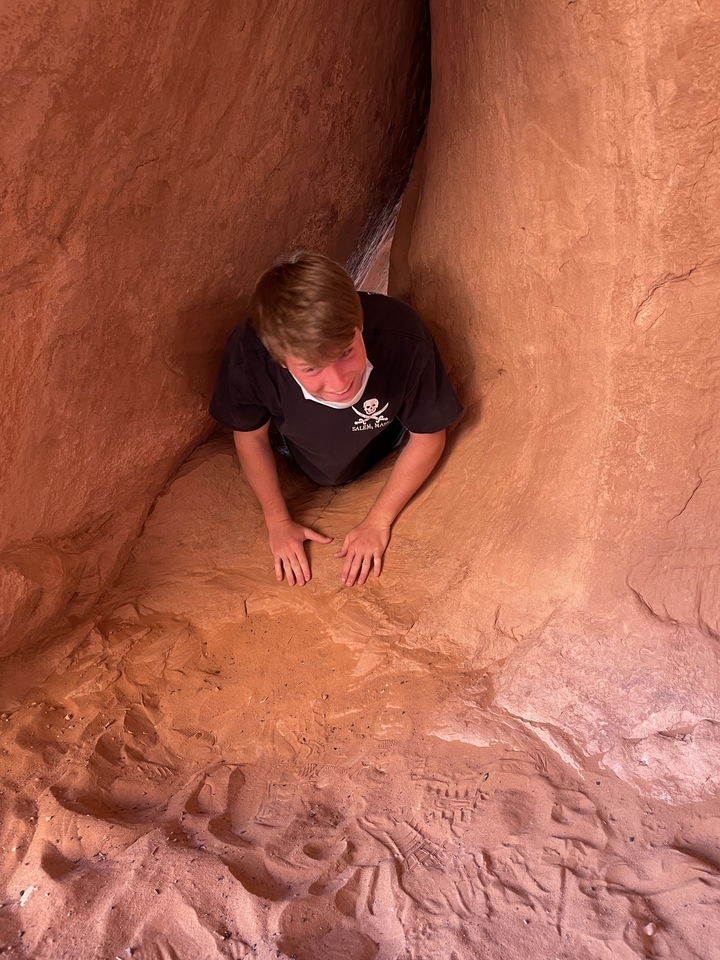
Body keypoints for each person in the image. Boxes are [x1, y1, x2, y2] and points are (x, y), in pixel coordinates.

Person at [209, 252, 462, 587]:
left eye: (346, 352)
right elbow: (251, 437)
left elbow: (428, 435)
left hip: (385, 440)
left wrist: (378, 520)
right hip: (302, 450)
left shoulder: (403, 338)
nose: (340, 383)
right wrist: (277, 521)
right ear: (281, 361)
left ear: (359, 325)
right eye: (312, 368)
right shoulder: (250, 359)